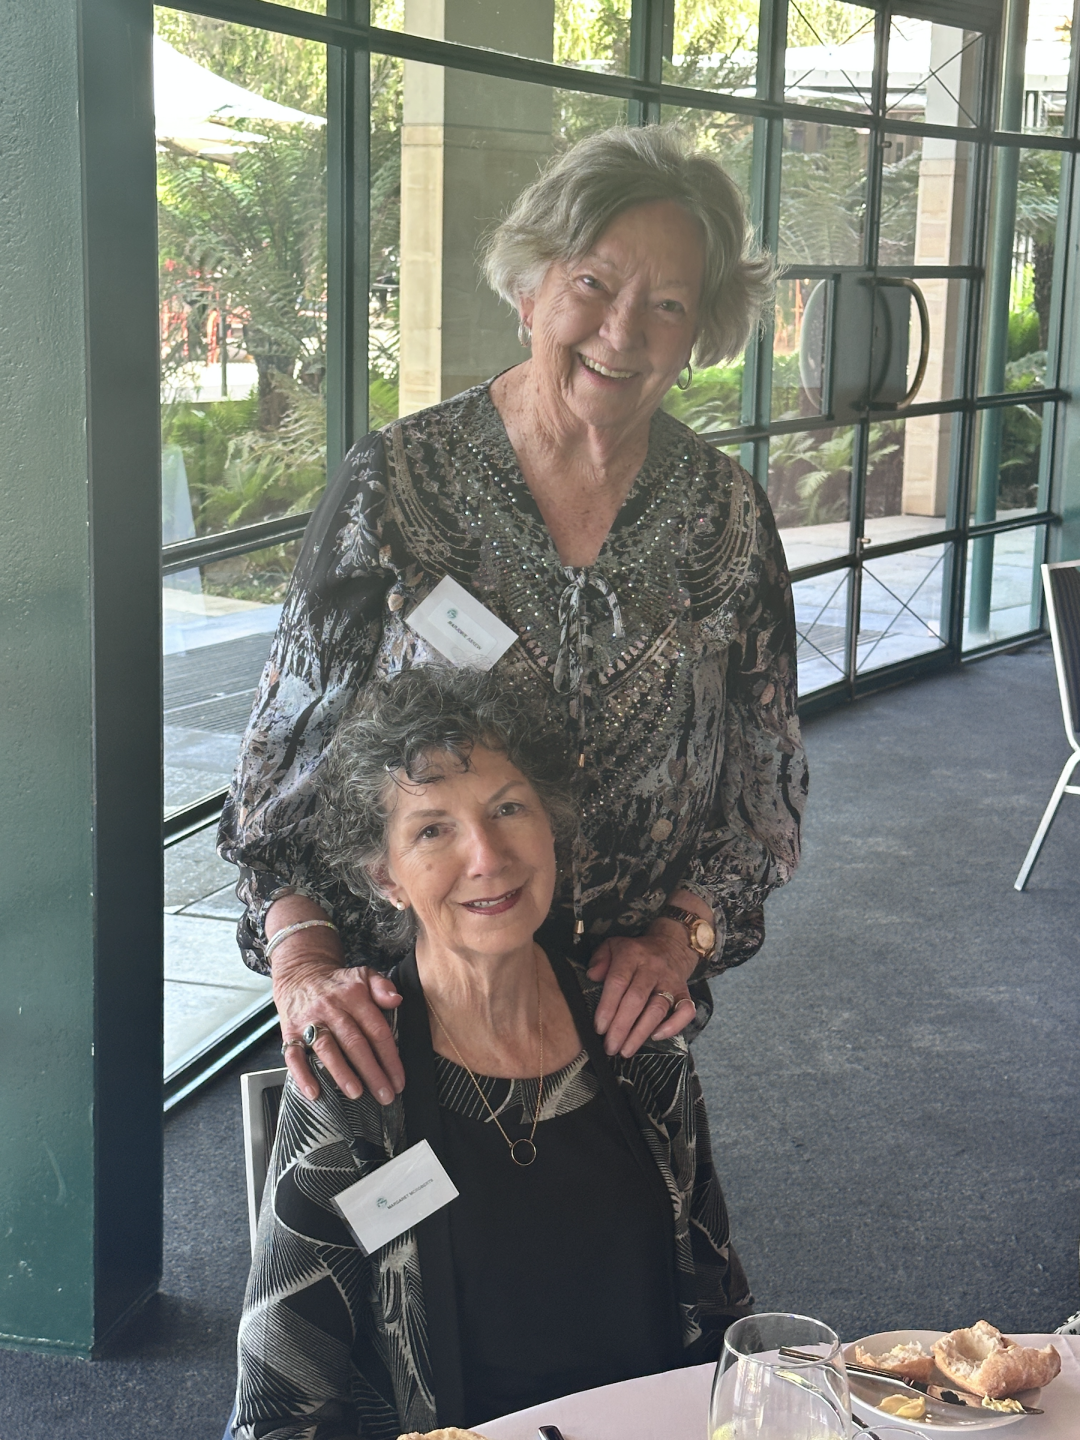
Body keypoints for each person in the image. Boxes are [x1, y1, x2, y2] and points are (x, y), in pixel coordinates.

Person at [218, 123, 808, 1111]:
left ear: (700, 332)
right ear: (531, 286)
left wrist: (678, 939)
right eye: (593, 285)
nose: (624, 332)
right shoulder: (399, 485)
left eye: (667, 305)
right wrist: (305, 962)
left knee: (612, 1251)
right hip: (396, 1023)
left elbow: (764, 787)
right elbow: (278, 771)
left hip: (619, 1026)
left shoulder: (727, 518)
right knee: (397, 1257)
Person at [233, 668, 752, 1438]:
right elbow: (281, 1408)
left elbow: (719, 1320)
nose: (486, 855)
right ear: (387, 877)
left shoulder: (641, 1046)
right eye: (432, 829)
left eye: (509, 808)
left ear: (553, 828)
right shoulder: (354, 1082)